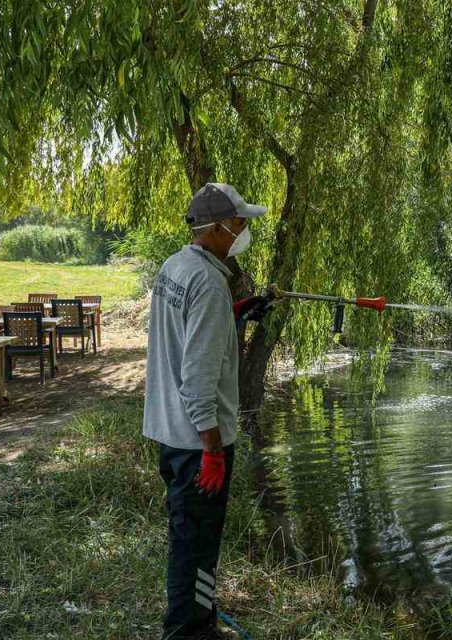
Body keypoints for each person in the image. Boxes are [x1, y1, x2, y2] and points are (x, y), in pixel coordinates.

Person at [143, 182, 272, 640]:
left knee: (188, 536)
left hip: (170, 435)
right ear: (216, 229)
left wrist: (233, 313)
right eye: (238, 223)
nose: (243, 229)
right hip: (198, 443)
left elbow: (183, 336)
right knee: (196, 543)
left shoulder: (175, 268)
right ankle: (188, 631)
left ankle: (199, 619)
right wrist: (213, 448)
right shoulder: (209, 283)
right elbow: (196, 379)